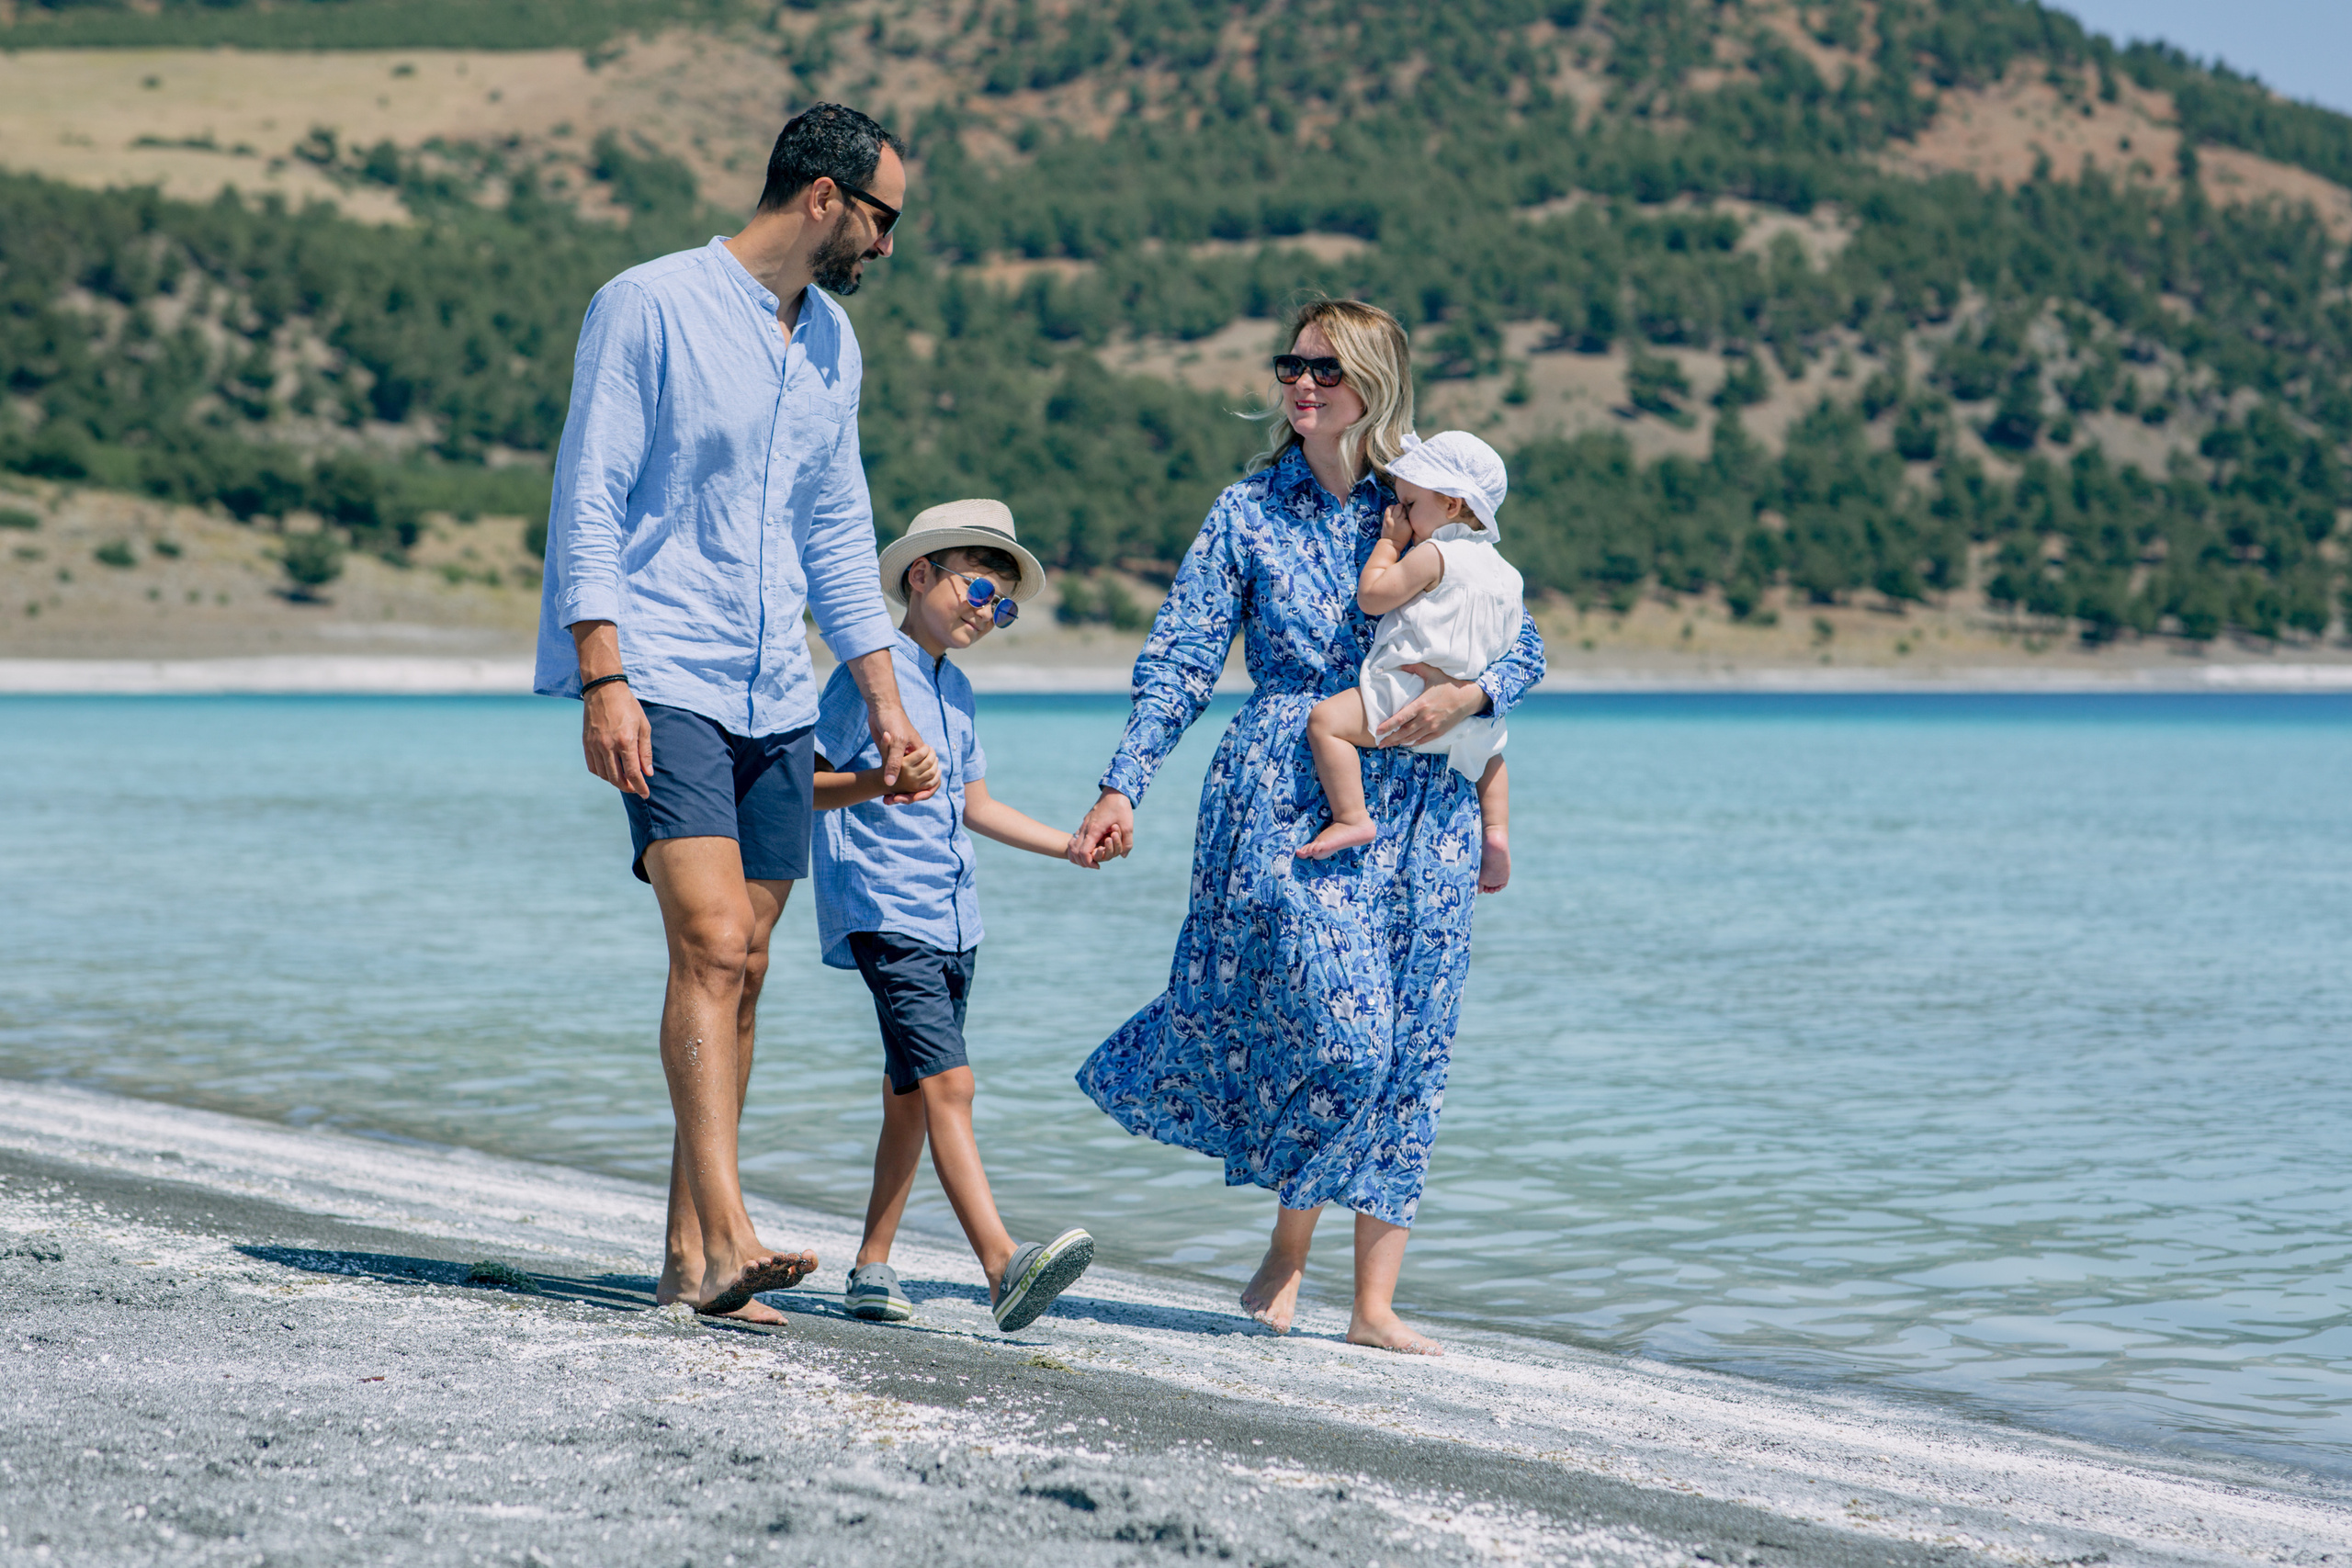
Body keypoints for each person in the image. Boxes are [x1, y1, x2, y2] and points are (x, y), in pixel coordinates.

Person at [1067, 299, 1547, 1356]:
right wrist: (1122, 784)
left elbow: (1524, 637)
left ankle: (1371, 1307)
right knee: (1345, 1033)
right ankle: (1287, 1252)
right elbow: (1182, 658)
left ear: (1374, 381)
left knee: (1412, 1045)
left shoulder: (1424, 503)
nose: (1303, 383)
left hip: (1427, 796)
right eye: (1292, 364)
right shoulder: (1247, 512)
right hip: (1289, 785)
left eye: (1326, 368)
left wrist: (1472, 700)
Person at [534, 104, 938, 1322]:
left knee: (746, 968)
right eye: (884, 219)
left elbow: (834, 533)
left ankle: (682, 1262)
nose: (886, 245)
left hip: (772, 686)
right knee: (709, 941)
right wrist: (601, 672)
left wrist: (887, 707)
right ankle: (729, 1237)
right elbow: (589, 493)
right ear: (824, 197)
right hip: (662, 667)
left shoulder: (832, 349)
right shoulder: (648, 304)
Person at [811, 500, 1100, 1333]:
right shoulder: (864, 676)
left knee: (910, 1093)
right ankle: (1002, 1264)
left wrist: (1068, 845)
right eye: (979, 588)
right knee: (951, 1082)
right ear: (920, 575)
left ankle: (871, 1266)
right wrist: (879, 784)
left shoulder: (959, 689)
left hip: (954, 919)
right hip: (886, 907)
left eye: (1002, 606)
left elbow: (973, 805)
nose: (987, 611)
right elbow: (807, 783)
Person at [1295, 430, 1521, 895]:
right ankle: (1496, 833)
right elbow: (1513, 644)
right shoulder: (1507, 575)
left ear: (1452, 505)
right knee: (1492, 755)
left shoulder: (1434, 555)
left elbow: (1374, 597)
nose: (1404, 517)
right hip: (1467, 707)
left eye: (1412, 506)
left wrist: (1389, 544)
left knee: (1325, 722)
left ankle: (1352, 817)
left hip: (1411, 692)